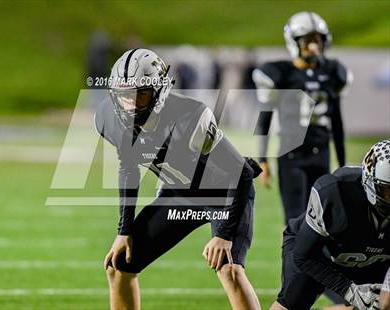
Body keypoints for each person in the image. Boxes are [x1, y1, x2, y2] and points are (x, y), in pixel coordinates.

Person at [95, 48, 262, 310]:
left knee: (229, 269)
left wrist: (225, 235)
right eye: (125, 96)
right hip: (179, 194)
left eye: (141, 95)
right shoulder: (109, 120)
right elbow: (128, 168)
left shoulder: (190, 117)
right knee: (120, 265)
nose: (131, 104)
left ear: (159, 91)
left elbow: (241, 173)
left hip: (224, 194)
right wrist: (123, 231)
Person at [253, 11, 352, 222]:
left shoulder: (333, 72)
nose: (314, 46)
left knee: (320, 219)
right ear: (294, 42)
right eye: (308, 41)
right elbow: (265, 117)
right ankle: (291, 255)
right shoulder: (280, 73)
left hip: (321, 153)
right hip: (291, 155)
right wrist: (262, 159)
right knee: (295, 219)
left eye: (317, 40)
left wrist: (342, 164)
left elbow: (337, 122)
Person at [269, 140, 390, 310]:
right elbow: (303, 256)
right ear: (370, 183)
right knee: (289, 306)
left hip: (373, 259)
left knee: (383, 305)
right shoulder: (334, 193)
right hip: (319, 255)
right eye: (389, 191)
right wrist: (350, 291)